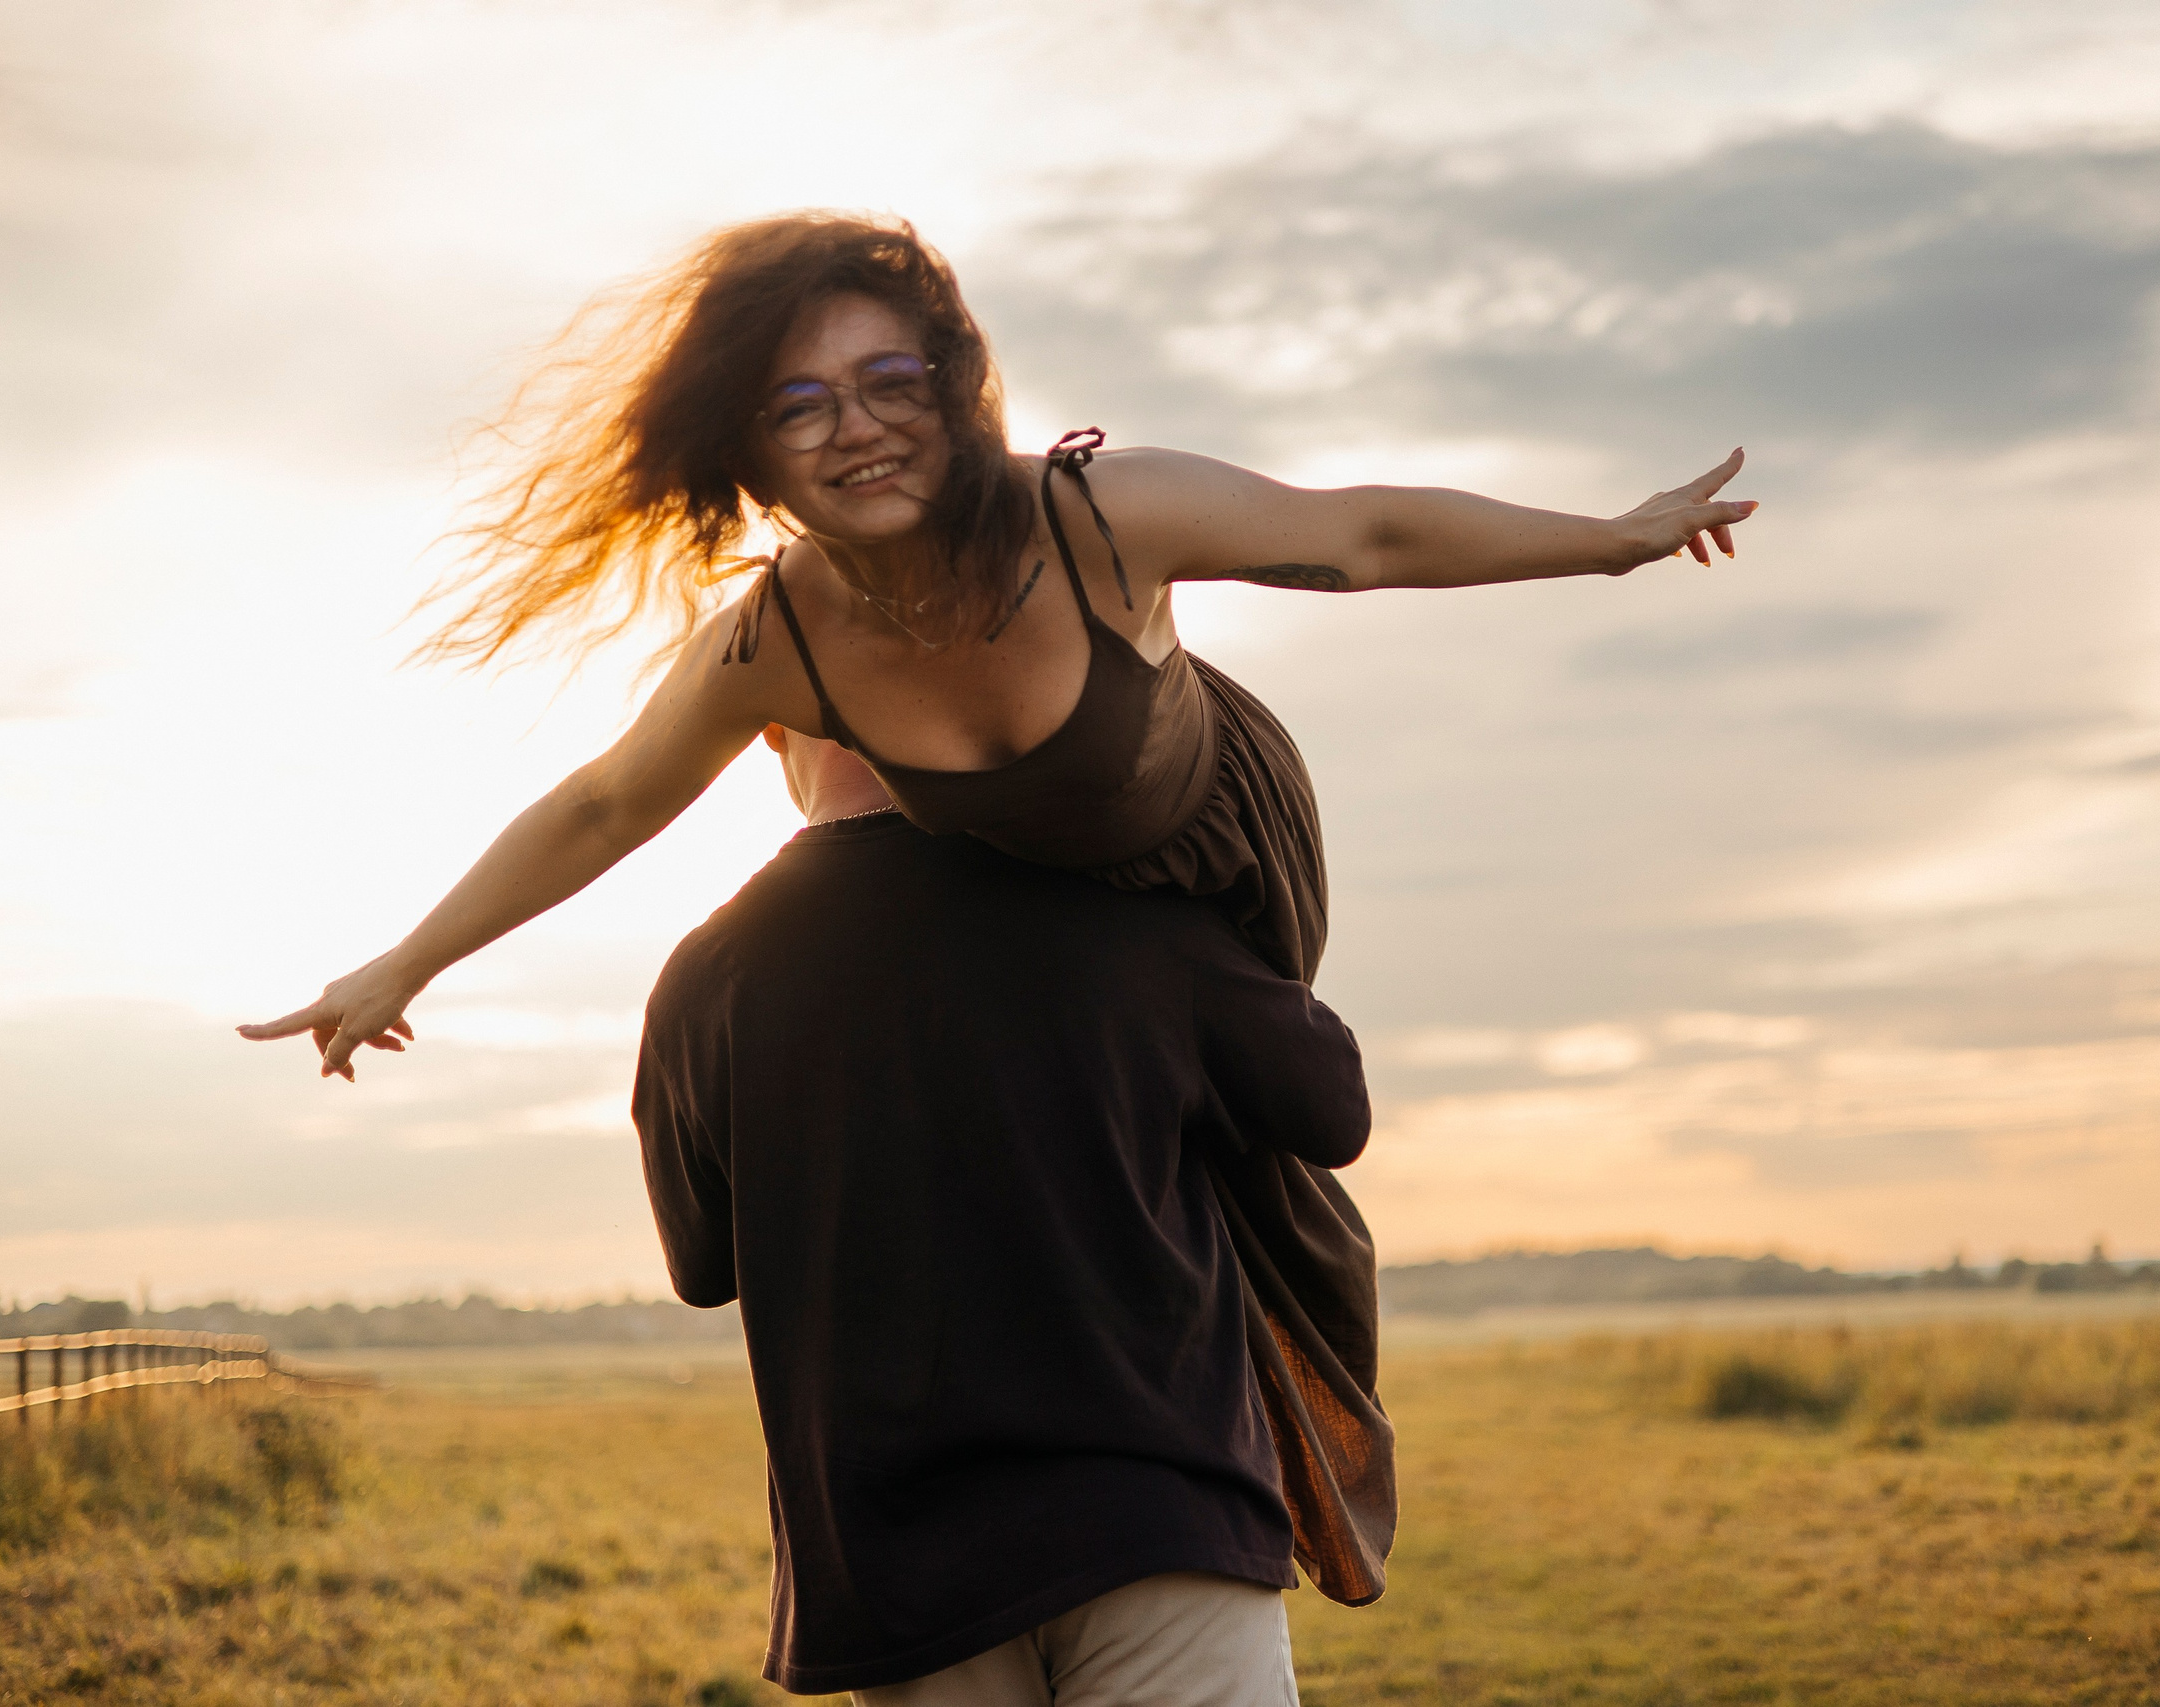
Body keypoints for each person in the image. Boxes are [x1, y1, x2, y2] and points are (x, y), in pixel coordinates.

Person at [238, 211, 1756, 1678]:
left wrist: (1613, 542)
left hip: (1204, 847)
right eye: (800, 403)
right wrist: (404, 962)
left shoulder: (1099, 517)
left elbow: (1356, 532)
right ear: (748, 447)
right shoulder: (784, 635)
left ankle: (1232, 1452)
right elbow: (607, 800)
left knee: (1283, 1176)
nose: (858, 428)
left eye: (894, 381)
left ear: (959, 386)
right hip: (1023, 880)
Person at [638, 728, 1368, 1699]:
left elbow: (699, 1266)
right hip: (1155, 1508)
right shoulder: (1123, 894)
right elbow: (1329, 1109)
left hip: (896, 1557)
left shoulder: (706, 972)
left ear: (768, 720)